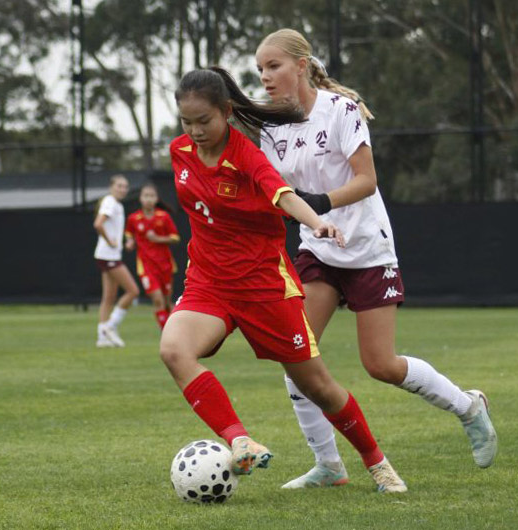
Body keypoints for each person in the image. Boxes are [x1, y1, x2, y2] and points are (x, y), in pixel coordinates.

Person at [255, 28, 498, 489]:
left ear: (301, 65)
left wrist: (318, 204)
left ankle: (469, 407)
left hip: (367, 248)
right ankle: (329, 465)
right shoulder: (271, 126)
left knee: (380, 364)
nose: (266, 77)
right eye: (260, 70)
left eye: (274, 66)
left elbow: (367, 180)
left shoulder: (341, 110)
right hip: (318, 250)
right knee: (295, 351)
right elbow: (271, 188)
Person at [160, 66, 407, 493]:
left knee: (319, 387)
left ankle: (376, 462)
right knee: (173, 349)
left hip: (263, 288)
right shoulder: (179, 152)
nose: (196, 131)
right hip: (209, 283)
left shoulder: (248, 157)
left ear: (227, 112)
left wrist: (319, 223)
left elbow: (284, 196)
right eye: (187, 122)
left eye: (205, 121)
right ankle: (239, 441)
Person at [124, 183, 180, 330]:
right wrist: (130, 242)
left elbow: (175, 238)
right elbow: (129, 235)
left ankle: (176, 330)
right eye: (145, 196)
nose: (148, 199)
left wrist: (157, 239)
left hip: (165, 264)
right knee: (157, 299)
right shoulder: (134, 218)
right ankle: (166, 332)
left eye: (151, 196)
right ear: (141, 198)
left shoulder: (164, 216)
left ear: (156, 199)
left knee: (168, 303)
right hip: (146, 265)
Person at [93, 175, 140, 348]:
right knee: (133, 291)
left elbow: (110, 228)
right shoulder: (110, 202)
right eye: (119, 186)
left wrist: (121, 242)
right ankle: (110, 327)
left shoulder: (117, 205)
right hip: (108, 256)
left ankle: (101, 337)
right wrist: (110, 241)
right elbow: (98, 224)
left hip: (109, 255)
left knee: (109, 297)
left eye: (125, 186)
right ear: (111, 186)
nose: (123, 189)